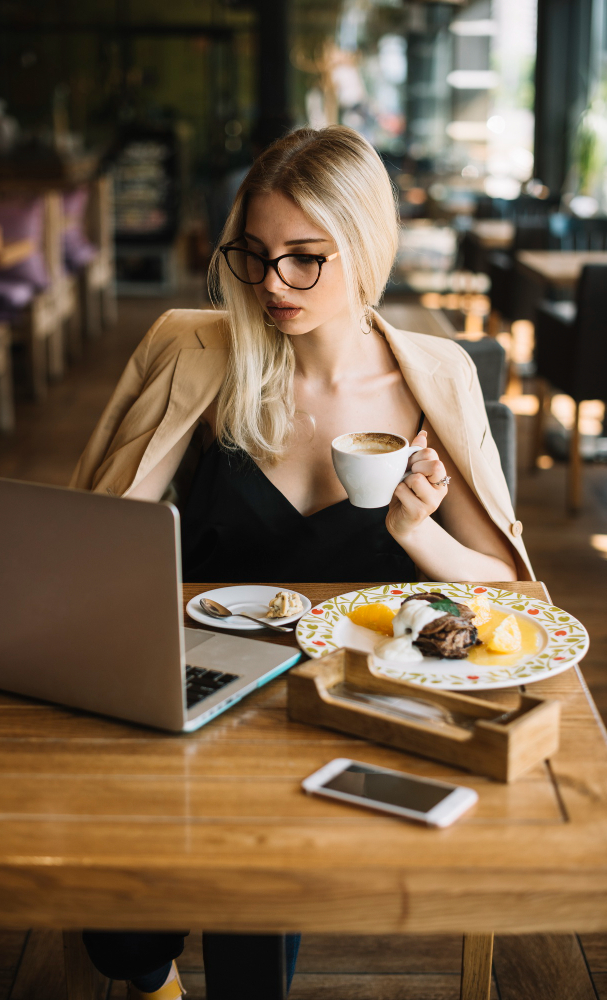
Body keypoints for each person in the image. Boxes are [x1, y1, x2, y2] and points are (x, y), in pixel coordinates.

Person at [72, 125, 532, 999]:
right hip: (187, 681)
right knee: (126, 927)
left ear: (365, 248)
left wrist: (417, 533)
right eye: (254, 254)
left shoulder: (432, 379)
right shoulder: (199, 356)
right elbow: (100, 537)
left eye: (305, 258)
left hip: (340, 701)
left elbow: (509, 590)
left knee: (246, 886)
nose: (272, 284)